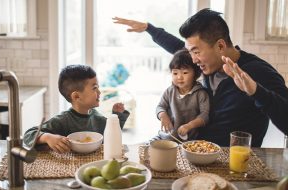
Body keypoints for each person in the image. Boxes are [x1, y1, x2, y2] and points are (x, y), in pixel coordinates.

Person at [113, 9, 288, 147]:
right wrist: (148, 28)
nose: (193, 59)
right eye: (191, 52)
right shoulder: (206, 61)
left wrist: (257, 92)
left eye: (196, 52)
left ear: (220, 45)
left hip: (230, 163)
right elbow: (178, 47)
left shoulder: (258, 72)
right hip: (191, 148)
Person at [23, 64, 130, 153]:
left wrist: (116, 116)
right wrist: (47, 137)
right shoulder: (62, 120)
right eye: (94, 88)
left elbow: (112, 135)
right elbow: (28, 135)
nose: (99, 92)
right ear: (76, 96)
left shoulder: (97, 117)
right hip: (68, 167)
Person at [156, 49, 209, 142]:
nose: (179, 77)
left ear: (195, 74)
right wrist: (163, 115)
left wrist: (190, 125)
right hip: (167, 137)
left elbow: (205, 115)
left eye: (185, 73)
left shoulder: (201, 94)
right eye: (175, 73)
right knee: (148, 146)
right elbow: (160, 107)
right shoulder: (169, 91)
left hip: (190, 140)